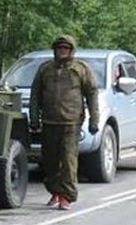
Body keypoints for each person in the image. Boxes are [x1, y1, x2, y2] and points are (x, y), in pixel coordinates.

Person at [29, 34, 99, 211]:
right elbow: (35, 94)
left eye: (66, 48)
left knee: (68, 161)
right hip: (49, 121)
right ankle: (55, 191)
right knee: (50, 162)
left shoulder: (81, 69)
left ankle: (67, 196)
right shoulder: (45, 69)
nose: (62, 51)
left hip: (71, 122)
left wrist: (94, 119)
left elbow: (92, 94)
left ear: (71, 51)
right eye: (59, 48)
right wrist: (34, 117)